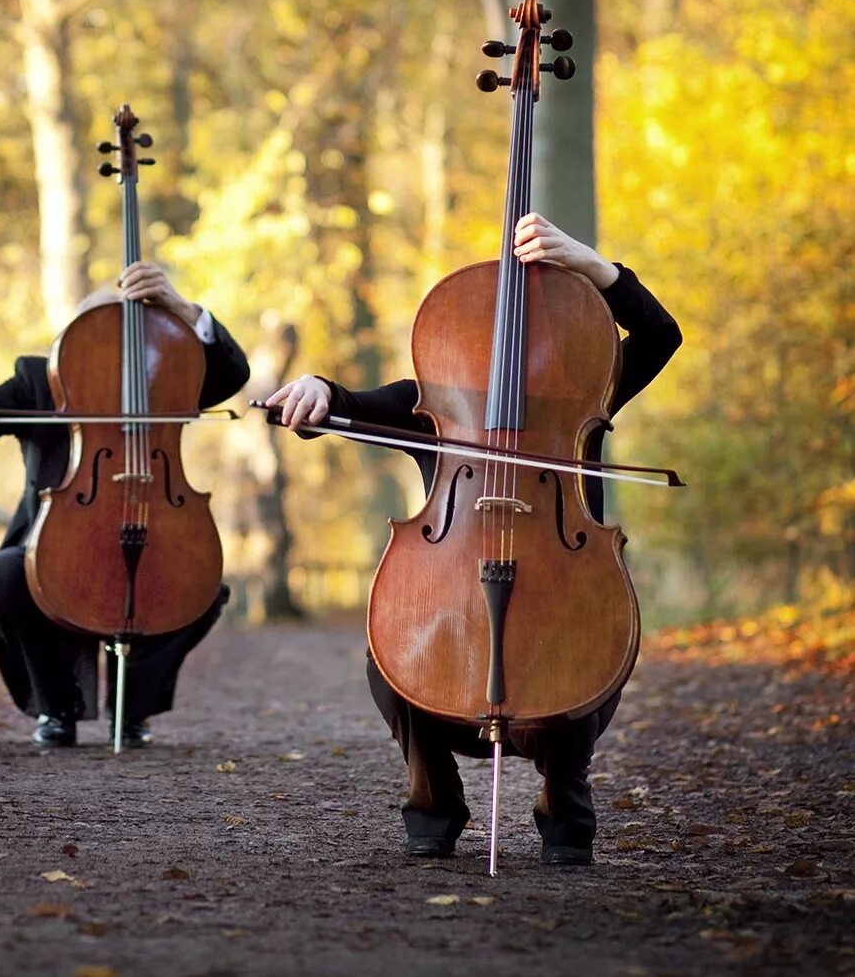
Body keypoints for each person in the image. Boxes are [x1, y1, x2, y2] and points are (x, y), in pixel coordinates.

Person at [267, 213, 682, 865]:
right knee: (390, 649)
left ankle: (563, 798)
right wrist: (318, 389)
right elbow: (347, 405)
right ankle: (433, 798)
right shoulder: (432, 396)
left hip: (560, 574)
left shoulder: (579, 388)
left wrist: (591, 266)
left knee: (588, 639)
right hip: (456, 575)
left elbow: (660, 334)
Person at [0, 261, 250, 747]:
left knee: (200, 585)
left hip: (157, 523)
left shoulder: (171, 375)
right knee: (2, 578)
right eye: (100, 331)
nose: (116, 346)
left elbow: (231, 374)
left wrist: (180, 308)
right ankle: (56, 708)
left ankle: (133, 710)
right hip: (58, 539)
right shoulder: (42, 380)